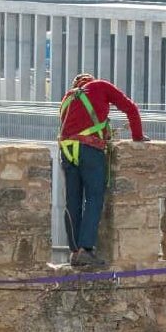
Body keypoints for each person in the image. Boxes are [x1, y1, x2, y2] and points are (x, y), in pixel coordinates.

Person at [59, 73, 147, 267]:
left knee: (72, 200)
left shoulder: (68, 98)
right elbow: (131, 109)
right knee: (94, 197)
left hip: (66, 150)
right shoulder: (100, 86)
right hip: (89, 149)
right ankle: (86, 249)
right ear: (90, 81)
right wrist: (138, 136)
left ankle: (74, 251)